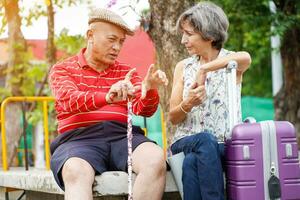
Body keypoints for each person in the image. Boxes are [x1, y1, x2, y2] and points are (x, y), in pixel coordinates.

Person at [49, 8, 168, 200]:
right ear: (90, 35)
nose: (117, 47)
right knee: (74, 171)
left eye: (121, 42)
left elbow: (143, 110)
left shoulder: (126, 71)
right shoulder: (63, 69)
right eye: (111, 39)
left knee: (155, 159)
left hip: (123, 135)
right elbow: (68, 100)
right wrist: (107, 96)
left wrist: (151, 89)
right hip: (79, 140)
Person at [168, 2, 251, 200]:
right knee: (204, 140)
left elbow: (246, 57)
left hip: (225, 144)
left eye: (189, 34)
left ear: (210, 35)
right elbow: (173, 117)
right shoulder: (183, 66)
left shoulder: (232, 62)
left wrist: (205, 69)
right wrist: (188, 103)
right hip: (185, 140)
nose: (183, 40)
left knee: (191, 163)